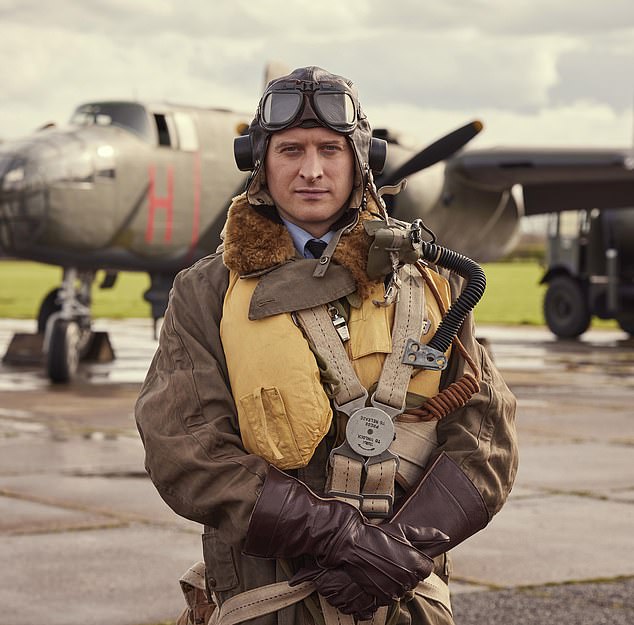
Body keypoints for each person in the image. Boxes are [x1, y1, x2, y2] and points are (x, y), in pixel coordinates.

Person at [135, 66, 518, 625]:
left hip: (403, 598)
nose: (311, 170)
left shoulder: (435, 283)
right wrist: (336, 535)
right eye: (290, 150)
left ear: (361, 159)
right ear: (259, 161)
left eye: (329, 150)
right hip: (265, 602)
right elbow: (185, 450)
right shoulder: (206, 293)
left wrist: (398, 552)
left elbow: (488, 436)